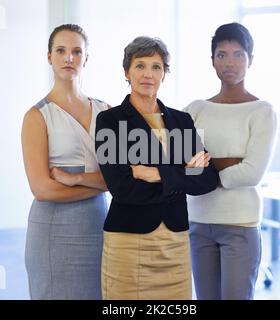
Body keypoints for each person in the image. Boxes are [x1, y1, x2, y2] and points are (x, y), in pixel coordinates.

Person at [95, 36, 219, 300]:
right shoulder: (110, 121)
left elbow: (207, 179)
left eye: (156, 66)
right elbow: (122, 188)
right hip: (128, 241)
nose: (148, 74)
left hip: (175, 241)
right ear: (126, 72)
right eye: (140, 66)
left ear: (165, 74)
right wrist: (181, 173)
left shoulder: (181, 120)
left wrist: (152, 173)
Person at [184, 22, 278, 300]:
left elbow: (252, 173)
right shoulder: (194, 109)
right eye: (221, 54)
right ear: (212, 60)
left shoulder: (262, 111)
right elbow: (179, 165)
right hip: (198, 223)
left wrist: (204, 168)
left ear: (251, 59)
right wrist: (231, 161)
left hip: (240, 224)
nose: (230, 62)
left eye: (238, 54)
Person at [21, 24, 110, 300]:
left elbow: (118, 176)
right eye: (61, 51)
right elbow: (42, 189)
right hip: (52, 231)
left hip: (97, 227)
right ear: (50, 57)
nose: (69, 58)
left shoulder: (105, 111)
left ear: (86, 58)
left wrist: (77, 178)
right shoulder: (36, 116)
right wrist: (102, 185)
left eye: (76, 51)